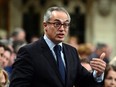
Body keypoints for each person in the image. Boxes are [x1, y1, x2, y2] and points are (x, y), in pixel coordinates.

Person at [9, 6, 106, 87]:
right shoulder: (28, 52)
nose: (62, 29)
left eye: (66, 24)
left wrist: (97, 74)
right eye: (57, 24)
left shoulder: (71, 51)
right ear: (45, 25)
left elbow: (84, 82)